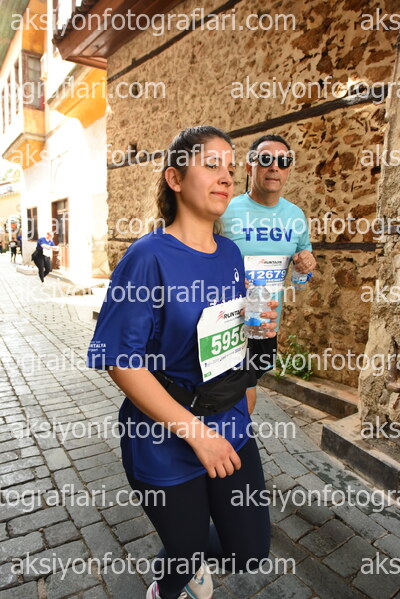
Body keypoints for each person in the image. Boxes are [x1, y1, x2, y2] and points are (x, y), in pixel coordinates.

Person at [87, 126, 279, 599]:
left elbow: (230, 335)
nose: (226, 177)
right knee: (187, 548)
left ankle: (186, 555)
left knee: (249, 550)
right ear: (175, 178)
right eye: (211, 165)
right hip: (165, 439)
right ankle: (171, 581)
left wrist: (251, 371)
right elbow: (120, 360)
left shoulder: (230, 253)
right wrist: (197, 434)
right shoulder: (147, 258)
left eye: (230, 168)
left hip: (230, 422)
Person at [222, 134, 316, 413]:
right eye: (265, 159)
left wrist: (304, 267)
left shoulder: (295, 216)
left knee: (246, 390)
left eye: (283, 162)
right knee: (237, 395)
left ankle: (227, 435)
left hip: (264, 323)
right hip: (225, 321)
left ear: (288, 170)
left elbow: (300, 279)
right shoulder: (226, 210)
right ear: (249, 167)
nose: (274, 167)